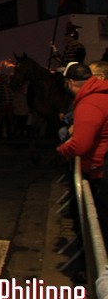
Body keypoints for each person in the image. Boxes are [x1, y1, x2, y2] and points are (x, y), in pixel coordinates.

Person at [56, 62, 108, 234]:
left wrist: (62, 150)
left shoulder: (90, 103)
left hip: (99, 170)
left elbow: (80, 145)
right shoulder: (100, 94)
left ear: (70, 82)